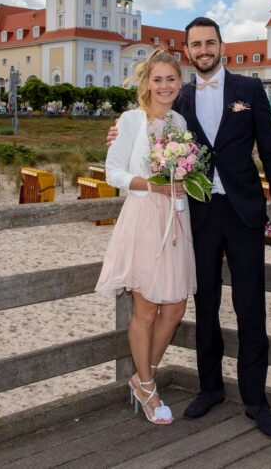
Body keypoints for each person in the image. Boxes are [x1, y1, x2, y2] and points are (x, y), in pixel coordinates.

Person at [106, 18, 271, 437]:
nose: (204, 49)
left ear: (221, 46)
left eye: (210, 42)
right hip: (197, 214)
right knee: (204, 304)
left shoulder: (250, 89)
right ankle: (210, 389)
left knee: (251, 307)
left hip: (246, 214)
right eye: (196, 44)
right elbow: (144, 130)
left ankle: (256, 401)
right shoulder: (179, 97)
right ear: (188, 51)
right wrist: (119, 133)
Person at [96, 47, 197, 425]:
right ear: (147, 82)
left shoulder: (179, 123)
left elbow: (184, 170)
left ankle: (142, 377)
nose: (164, 85)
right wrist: (152, 185)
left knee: (175, 307)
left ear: (179, 83)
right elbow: (113, 173)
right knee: (147, 307)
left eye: (171, 79)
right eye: (158, 79)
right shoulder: (131, 121)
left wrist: (185, 183)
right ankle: (150, 388)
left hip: (174, 219)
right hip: (142, 216)